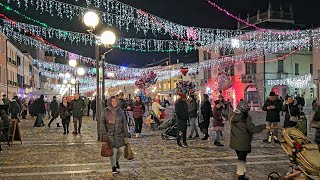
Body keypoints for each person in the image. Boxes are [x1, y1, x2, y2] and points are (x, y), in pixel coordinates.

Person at [230, 101, 266, 180]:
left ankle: (242, 174)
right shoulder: (246, 118)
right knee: (242, 159)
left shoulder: (233, 116)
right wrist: (263, 126)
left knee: (240, 158)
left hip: (235, 141)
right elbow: (252, 129)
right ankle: (241, 176)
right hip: (243, 142)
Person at [100, 96, 130, 174]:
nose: (114, 103)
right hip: (110, 134)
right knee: (113, 151)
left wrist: (126, 134)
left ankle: (116, 161)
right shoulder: (105, 111)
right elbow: (102, 123)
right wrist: (104, 133)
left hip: (120, 134)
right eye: (112, 101)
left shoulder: (120, 111)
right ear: (110, 102)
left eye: (115, 101)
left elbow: (124, 123)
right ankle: (113, 166)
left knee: (121, 150)